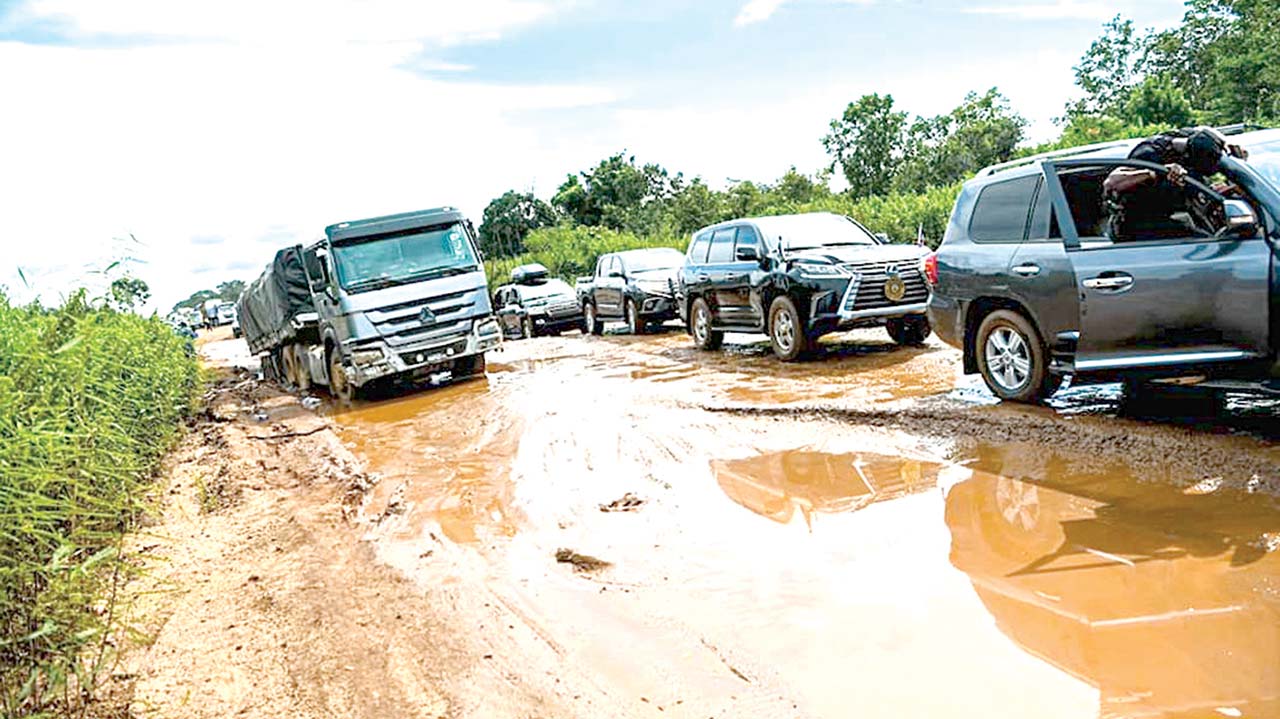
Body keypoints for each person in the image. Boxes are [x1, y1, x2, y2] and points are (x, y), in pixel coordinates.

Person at [1103, 126, 1249, 240]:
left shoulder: (1191, 136)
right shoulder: (1149, 153)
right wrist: (1154, 173)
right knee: (1201, 242)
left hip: (1175, 212)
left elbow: (1205, 130)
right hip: (1139, 224)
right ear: (1187, 157)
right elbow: (1111, 182)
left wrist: (1226, 142)